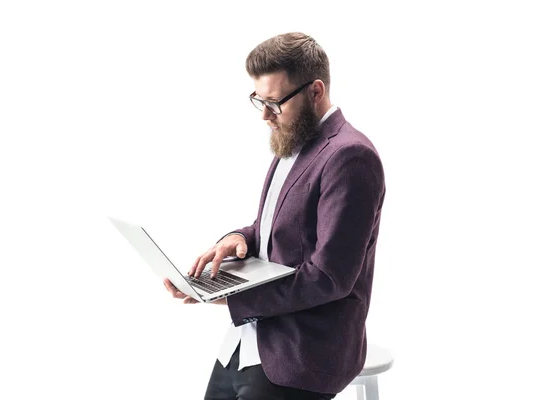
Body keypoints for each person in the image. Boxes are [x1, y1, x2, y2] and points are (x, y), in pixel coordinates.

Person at [163, 32, 386, 400]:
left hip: (302, 353)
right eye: (258, 101)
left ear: (316, 92)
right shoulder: (294, 139)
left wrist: (231, 299)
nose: (266, 116)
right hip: (248, 341)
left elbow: (329, 278)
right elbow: (280, 228)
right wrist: (238, 239)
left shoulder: (351, 157)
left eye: (275, 103)